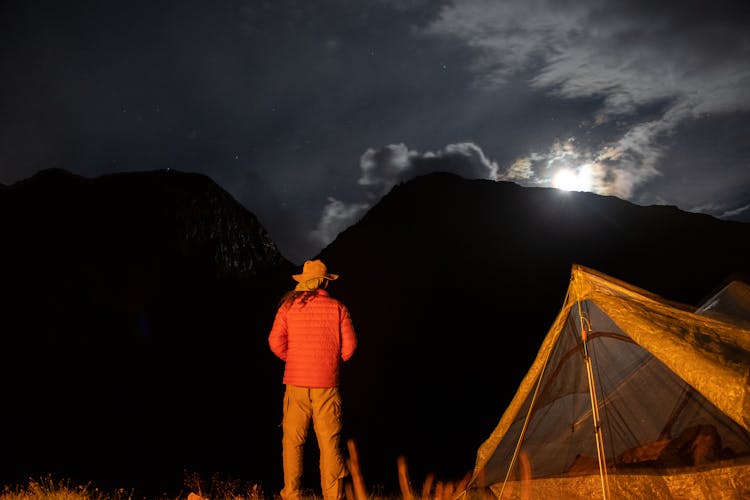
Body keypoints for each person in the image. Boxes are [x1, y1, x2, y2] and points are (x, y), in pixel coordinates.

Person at [268, 259, 358, 500]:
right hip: (327, 387)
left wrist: (295, 360)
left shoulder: (288, 306)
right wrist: (327, 362)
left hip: (295, 385)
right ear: (324, 282)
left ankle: (292, 494)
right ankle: (333, 497)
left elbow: (274, 342)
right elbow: (349, 350)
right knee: (329, 445)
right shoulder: (338, 308)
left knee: (293, 442)